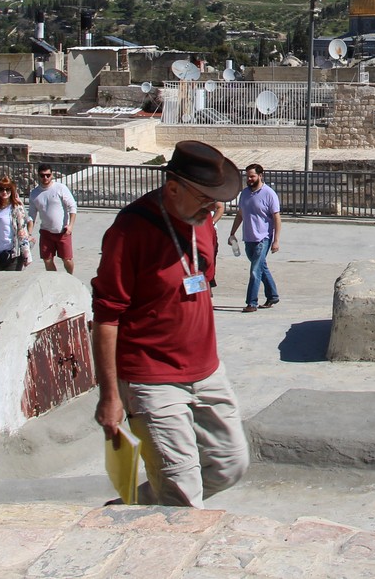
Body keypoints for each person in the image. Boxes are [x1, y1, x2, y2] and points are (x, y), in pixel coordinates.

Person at [91, 141, 249, 507]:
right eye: (204, 197)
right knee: (183, 492)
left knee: (230, 465)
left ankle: (140, 506)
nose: (213, 206)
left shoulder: (204, 222)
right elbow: (107, 316)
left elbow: (199, 281)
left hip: (207, 370)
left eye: (216, 197)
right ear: (173, 187)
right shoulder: (129, 232)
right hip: (150, 377)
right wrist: (110, 396)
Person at [228, 164, 281, 313]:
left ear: (260, 175)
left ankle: (252, 302)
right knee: (261, 268)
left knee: (254, 271)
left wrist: (276, 240)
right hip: (249, 239)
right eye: (247, 176)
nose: (249, 179)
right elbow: (240, 214)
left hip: (263, 238)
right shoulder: (244, 193)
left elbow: (277, 218)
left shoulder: (269, 193)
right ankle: (273, 295)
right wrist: (232, 233)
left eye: (252, 176)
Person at [27, 164, 78, 275]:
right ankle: (54, 279)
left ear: (52, 175)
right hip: (46, 232)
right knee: (47, 259)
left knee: (67, 259)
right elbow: (31, 214)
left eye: (48, 175)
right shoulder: (34, 193)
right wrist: (29, 233)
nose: (45, 178)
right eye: (42, 175)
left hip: (62, 231)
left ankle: (70, 277)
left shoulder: (60, 188)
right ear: (38, 176)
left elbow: (72, 206)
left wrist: (70, 226)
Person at [0, 176, 30, 271]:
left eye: (7, 189)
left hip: (13, 253)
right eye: (1, 189)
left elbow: (22, 231)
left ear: (12, 191)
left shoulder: (16, 208)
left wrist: (27, 254)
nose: (4, 192)